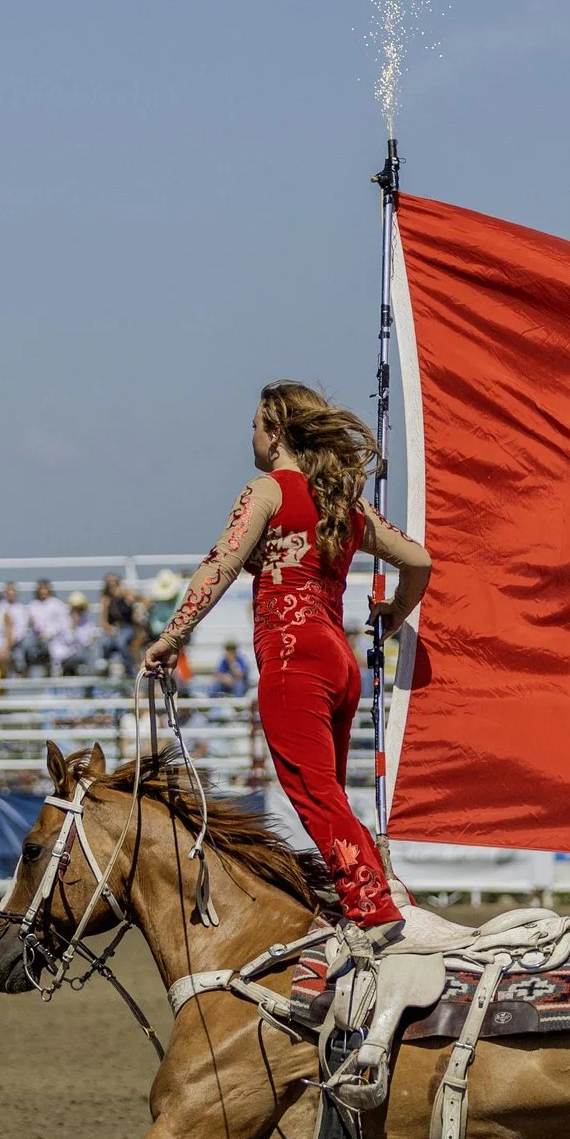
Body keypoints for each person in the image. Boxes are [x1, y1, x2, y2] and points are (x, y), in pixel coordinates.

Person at [142, 380, 439, 942]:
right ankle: (380, 889)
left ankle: (373, 908)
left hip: (292, 657)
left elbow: (222, 563)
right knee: (328, 791)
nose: (249, 435)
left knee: (311, 790)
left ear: (275, 434)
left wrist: (173, 635)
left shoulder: (266, 492)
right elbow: (419, 561)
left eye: (255, 424)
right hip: (339, 661)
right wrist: (394, 614)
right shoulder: (342, 505)